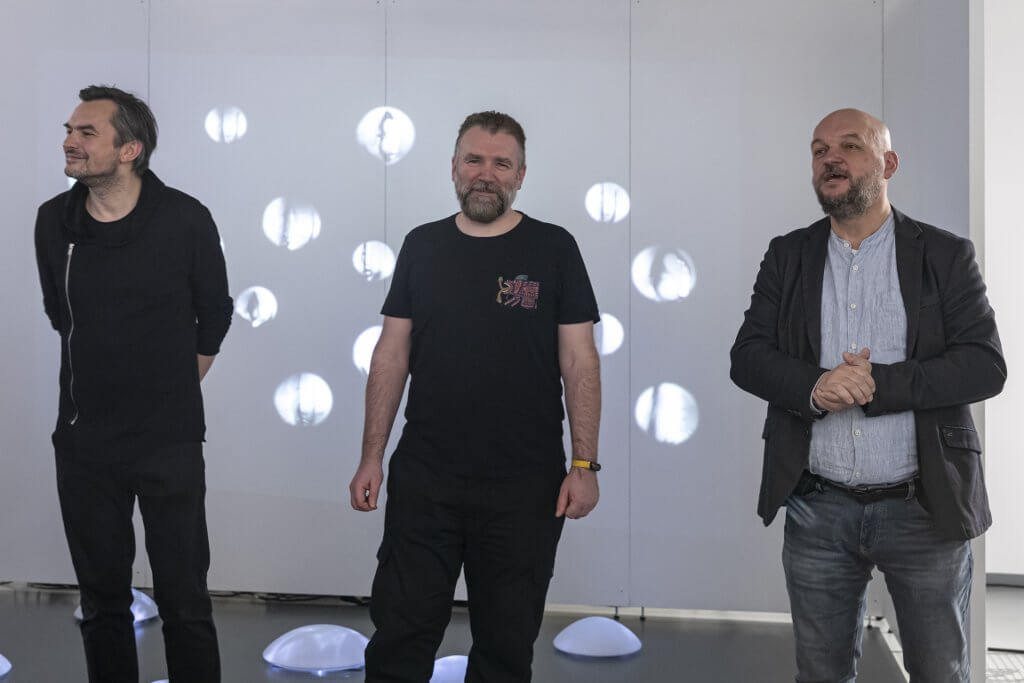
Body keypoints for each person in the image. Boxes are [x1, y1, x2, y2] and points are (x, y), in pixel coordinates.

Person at [730, 108, 1006, 682]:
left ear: (889, 164)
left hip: (924, 508)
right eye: (819, 150)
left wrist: (879, 383)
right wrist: (816, 385)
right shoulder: (787, 255)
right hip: (818, 509)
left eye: (851, 146)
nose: (830, 158)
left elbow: (985, 366)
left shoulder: (945, 255)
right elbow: (748, 357)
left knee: (940, 673)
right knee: (821, 675)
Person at [349, 110, 602, 683]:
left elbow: (580, 361)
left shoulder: (555, 248)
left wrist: (584, 464)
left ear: (521, 175)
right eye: (474, 160)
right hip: (426, 481)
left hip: (525, 488)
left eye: (501, 164)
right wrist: (371, 456)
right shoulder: (422, 245)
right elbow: (391, 355)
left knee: (505, 648)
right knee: (400, 637)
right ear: (454, 168)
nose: (486, 174)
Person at [34, 85, 232, 683]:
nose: (70, 141)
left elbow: (214, 314)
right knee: (102, 606)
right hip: (85, 444)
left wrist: (174, 386)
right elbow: (59, 313)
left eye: (86, 132)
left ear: (130, 149)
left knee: (185, 602)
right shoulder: (53, 221)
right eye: (69, 130)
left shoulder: (185, 219)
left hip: (169, 443)